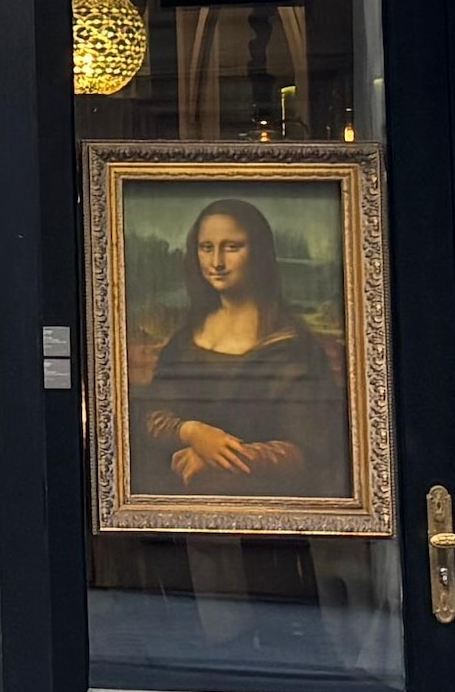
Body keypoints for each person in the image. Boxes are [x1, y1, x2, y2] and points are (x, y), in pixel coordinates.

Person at [129, 194, 351, 502]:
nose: (216, 262)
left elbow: (313, 451)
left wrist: (221, 458)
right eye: (206, 248)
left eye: (232, 247)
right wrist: (191, 432)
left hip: (266, 510)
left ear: (259, 253)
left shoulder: (295, 350)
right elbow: (147, 417)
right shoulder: (185, 339)